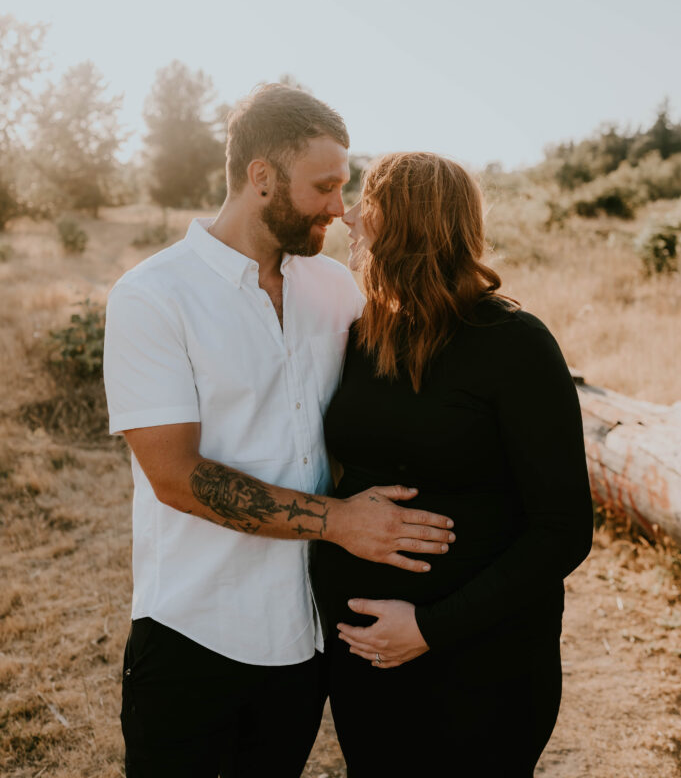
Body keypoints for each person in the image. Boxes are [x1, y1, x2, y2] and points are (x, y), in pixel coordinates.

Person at [103, 86, 455, 778]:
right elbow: (174, 476)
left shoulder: (336, 288)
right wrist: (340, 522)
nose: (338, 207)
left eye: (343, 187)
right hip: (192, 633)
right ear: (260, 178)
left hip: (303, 640)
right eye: (323, 187)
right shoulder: (152, 296)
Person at [312, 151, 594, 778]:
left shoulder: (515, 345)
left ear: (409, 222)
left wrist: (430, 628)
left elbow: (565, 530)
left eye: (370, 203)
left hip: (483, 663)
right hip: (366, 662)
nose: (351, 217)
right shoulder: (365, 334)